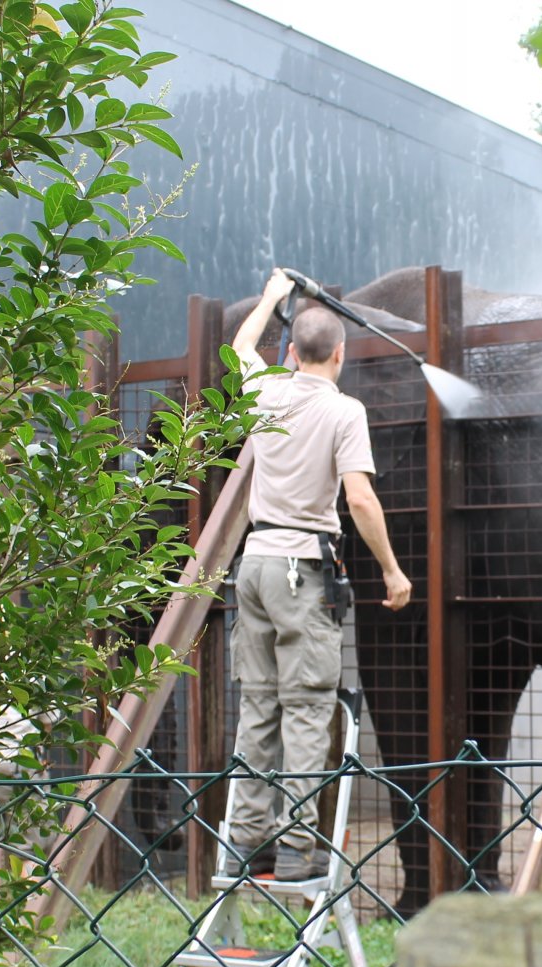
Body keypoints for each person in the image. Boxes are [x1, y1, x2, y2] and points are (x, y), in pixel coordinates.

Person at [226, 268, 412, 880]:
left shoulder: (265, 390)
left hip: (251, 568)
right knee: (307, 707)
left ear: (288, 353)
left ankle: (247, 841)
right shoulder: (345, 412)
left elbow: (238, 348)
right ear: (339, 354)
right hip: (301, 571)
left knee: (258, 704)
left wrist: (273, 294)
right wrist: (391, 570)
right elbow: (359, 499)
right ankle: (298, 850)